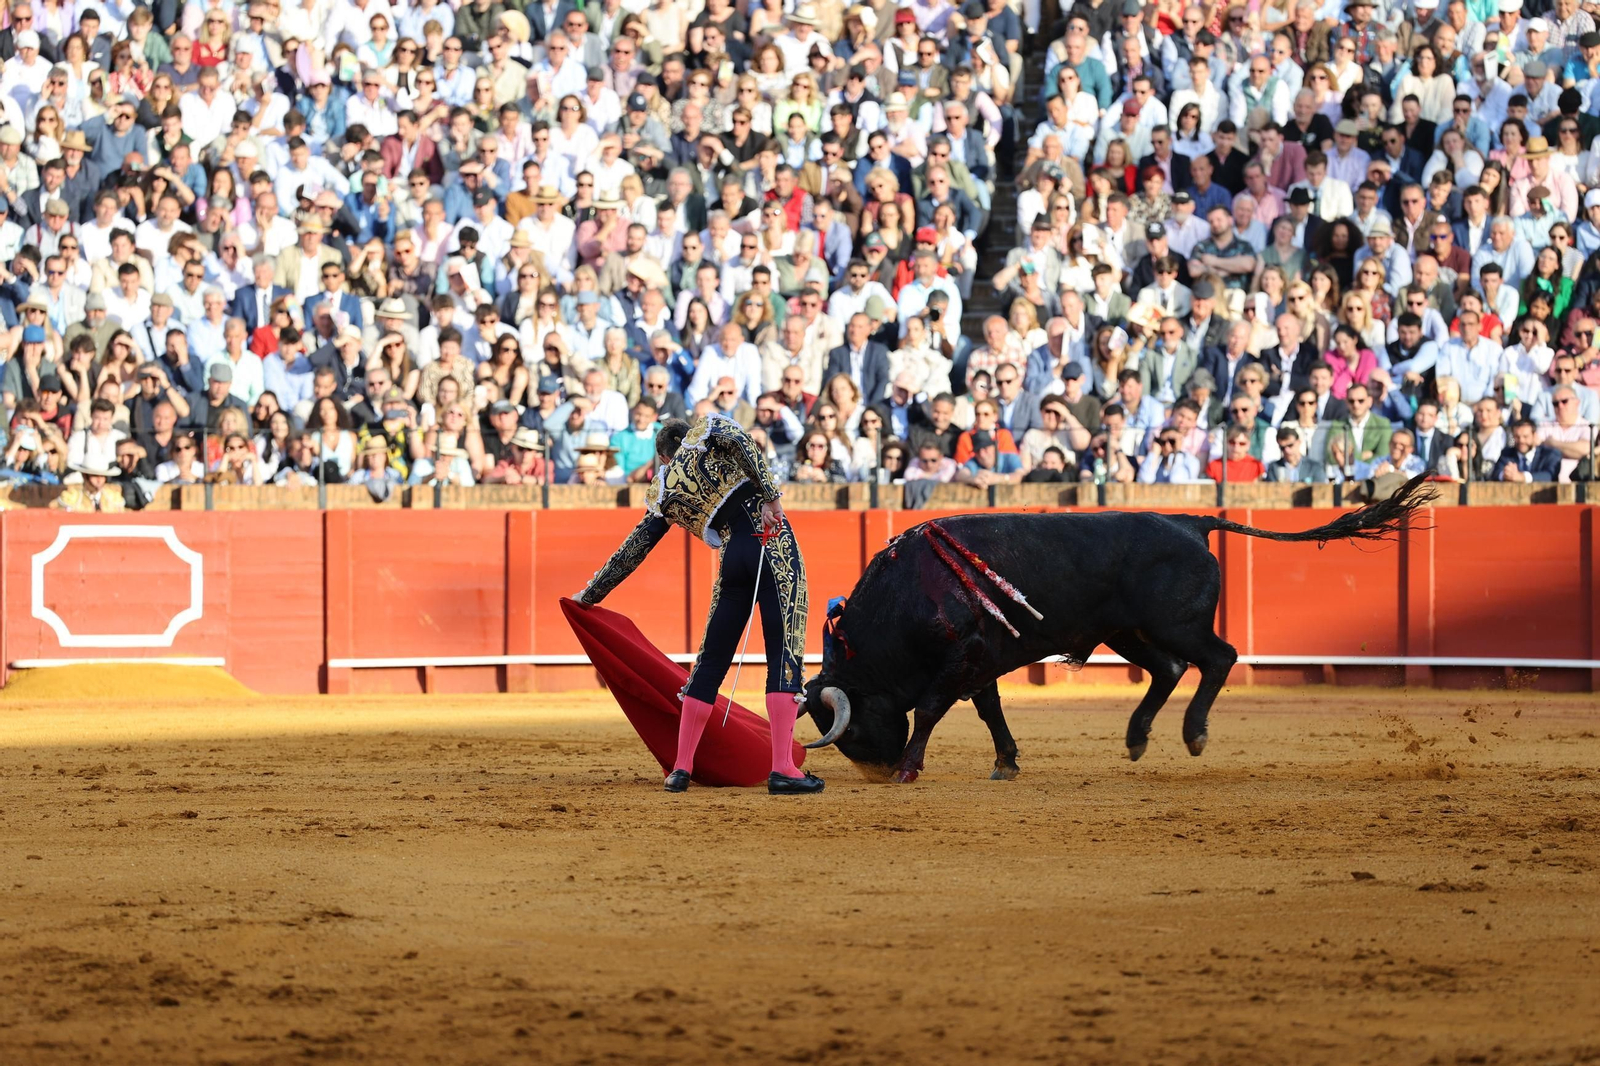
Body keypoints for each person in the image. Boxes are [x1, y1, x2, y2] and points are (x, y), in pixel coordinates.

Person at [574, 416, 823, 796]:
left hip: (731, 560)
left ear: (662, 457)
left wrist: (589, 595)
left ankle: (681, 767)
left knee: (709, 664)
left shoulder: (664, 489)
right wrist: (771, 496)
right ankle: (783, 768)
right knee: (784, 654)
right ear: (685, 435)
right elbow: (743, 440)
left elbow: (634, 549)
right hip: (771, 543)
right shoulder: (708, 434)